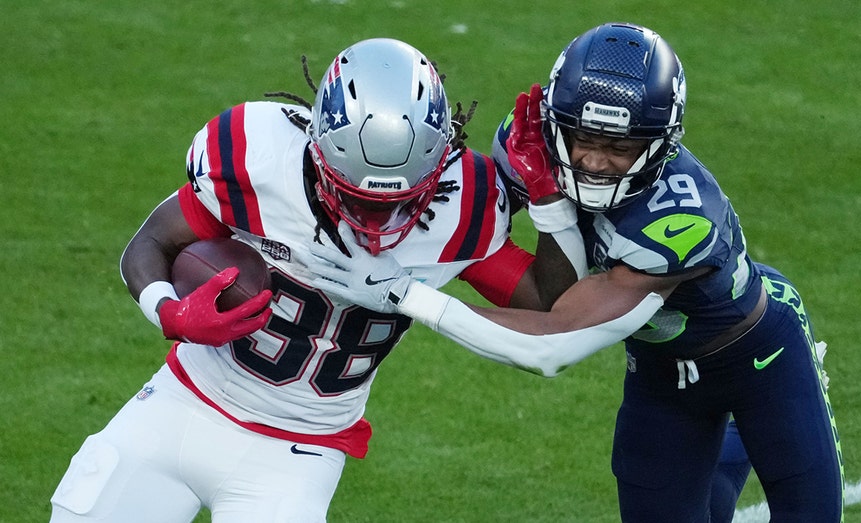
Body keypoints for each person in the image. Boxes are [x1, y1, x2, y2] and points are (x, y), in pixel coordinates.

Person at [307, 23, 844, 522]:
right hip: (660, 369)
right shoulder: (528, 144)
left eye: (620, 147)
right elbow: (525, 270)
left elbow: (554, 340)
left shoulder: (682, 217)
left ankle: (754, 426)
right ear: (556, 121)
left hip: (758, 356)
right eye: (585, 139)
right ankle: (735, 440)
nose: (595, 161)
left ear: (659, 144)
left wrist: (405, 294)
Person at [50, 37, 572, 522]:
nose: (374, 221)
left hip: (298, 456)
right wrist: (170, 311)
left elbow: (549, 303)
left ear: (439, 166)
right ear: (315, 148)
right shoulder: (259, 160)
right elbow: (151, 242)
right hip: (180, 405)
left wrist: (547, 198)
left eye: (398, 201)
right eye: (356, 197)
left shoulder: (464, 206)